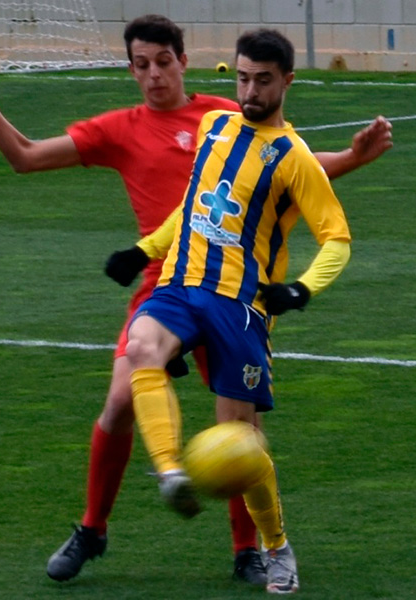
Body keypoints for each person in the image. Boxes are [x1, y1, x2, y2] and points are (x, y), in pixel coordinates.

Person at [0, 14, 392, 586]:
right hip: (167, 282)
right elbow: (27, 157)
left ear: (183, 60)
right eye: (141, 65)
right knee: (125, 390)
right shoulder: (123, 128)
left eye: (162, 62)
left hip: (238, 296)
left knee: (239, 433)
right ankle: (107, 518)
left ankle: (255, 549)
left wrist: (346, 167)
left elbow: (283, 172)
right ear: (131, 69)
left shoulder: (222, 116)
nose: (153, 76)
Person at [120, 27, 351, 594]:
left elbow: (338, 238)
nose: (249, 90)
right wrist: (145, 249)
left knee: (242, 444)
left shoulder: (296, 158)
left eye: (262, 81)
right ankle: (171, 470)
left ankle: (276, 547)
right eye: (243, 78)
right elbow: (198, 201)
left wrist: (301, 289)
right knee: (141, 348)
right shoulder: (213, 125)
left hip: (241, 308)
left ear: (287, 82)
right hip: (182, 282)